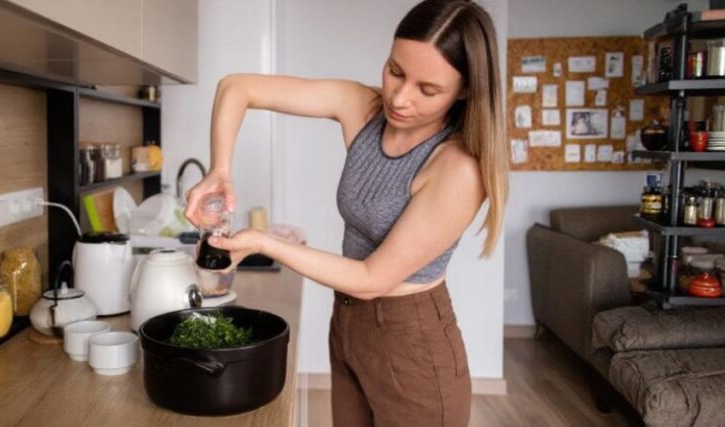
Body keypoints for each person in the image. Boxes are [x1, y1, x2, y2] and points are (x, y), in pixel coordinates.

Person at [183, 1, 507, 425]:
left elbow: (372, 278)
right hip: (349, 325)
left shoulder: (458, 169)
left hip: (413, 344)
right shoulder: (364, 107)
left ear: (465, 90)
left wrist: (265, 243)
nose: (400, 98)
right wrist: (219, 170)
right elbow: (236, 86)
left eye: (428, 90)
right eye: (395, 70)